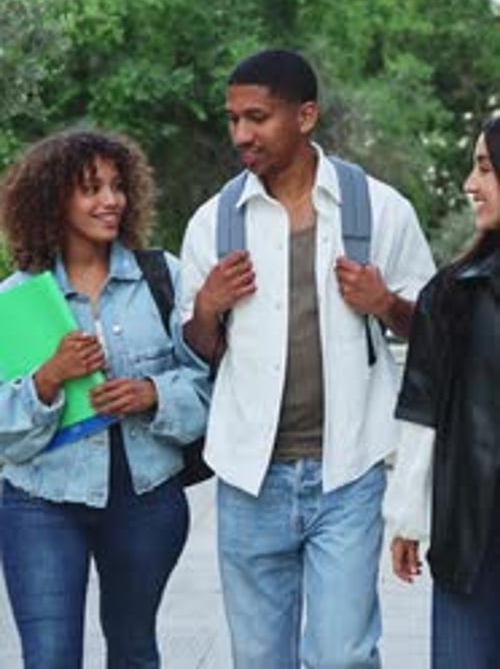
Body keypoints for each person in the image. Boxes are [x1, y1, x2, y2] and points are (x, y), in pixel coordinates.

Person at [178, 48, 435, 669]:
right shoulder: (213, 223)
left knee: (342, 656)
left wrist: (386, 304)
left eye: (258, 118)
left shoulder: (380, 210)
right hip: (249, 477)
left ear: (307, 115)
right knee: (260, 658)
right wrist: (207, 308)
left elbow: (435, 334)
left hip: (348, 470)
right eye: (234, 119)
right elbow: (197, 352)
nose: (242, 134)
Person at [0, 129, 211, 669]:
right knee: (49, 658)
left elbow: (209, 386)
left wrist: (151, 395)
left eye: (118, 187)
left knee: (134, 649)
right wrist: (48, 379)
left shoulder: (162, 277)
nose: (110, 200)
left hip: (146, 499)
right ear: (53, 198)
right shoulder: (16, 300)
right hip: (39, 501)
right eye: (91, 188)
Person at [384, 114, 500, 669]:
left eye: (484, 167)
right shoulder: (452, 293)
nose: (470, 185)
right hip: (472, 541)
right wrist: (407, 518)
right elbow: (422, 412)